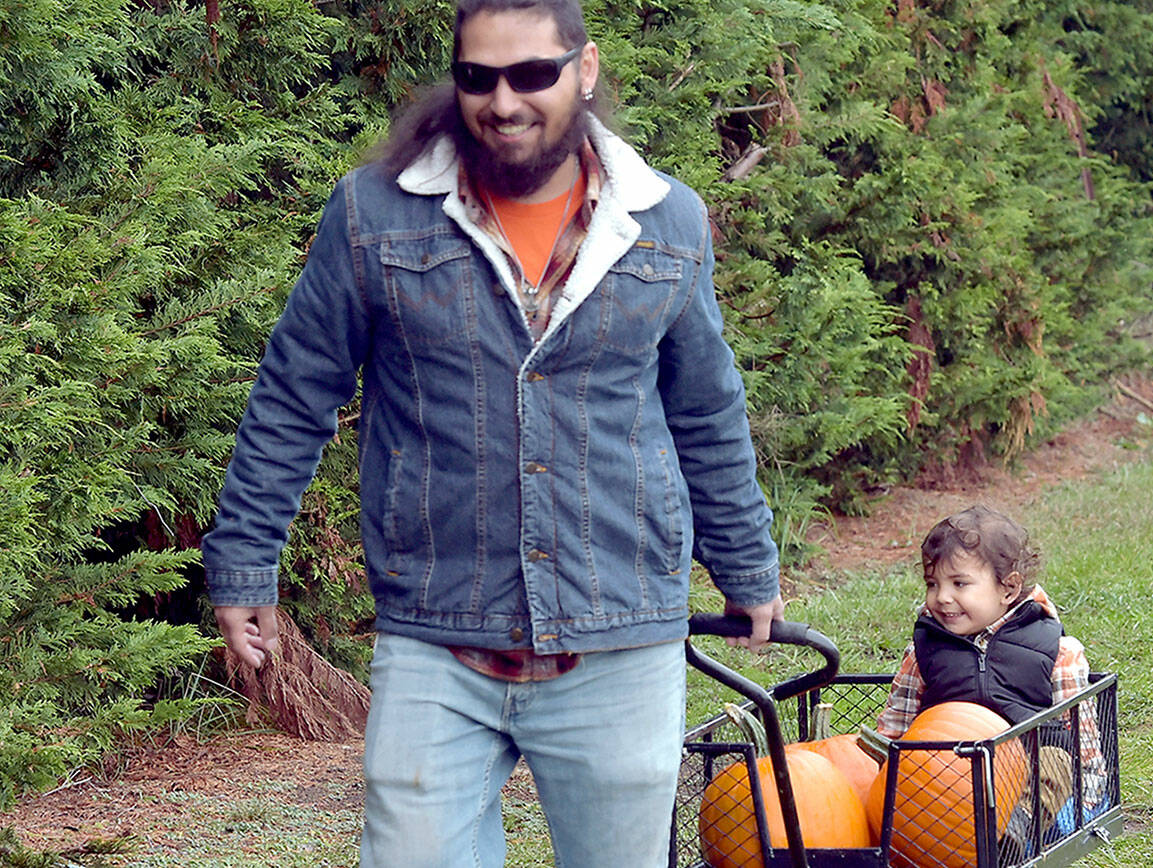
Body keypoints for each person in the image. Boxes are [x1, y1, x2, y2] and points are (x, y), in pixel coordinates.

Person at [200, 1, 784, 865]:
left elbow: (704, 407)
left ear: (583, 70)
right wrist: (246, 559)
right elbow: (294, 392)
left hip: (619, 630)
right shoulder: (376, 214)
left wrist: (745, 563)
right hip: (437, 634)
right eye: (478, 77)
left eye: (530, 74)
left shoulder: (667, 220)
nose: (502, 101)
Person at [871, 505, 1106, 851]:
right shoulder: (922, 651)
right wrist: (875, 780)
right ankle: (980, 836)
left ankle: (1016, 829)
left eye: (959, 583)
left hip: (1029, 771)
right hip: (947, 778)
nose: (942, 597)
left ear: (1008, 589)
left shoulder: (1057, 649)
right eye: (932, 584)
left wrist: (1088, 798)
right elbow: (896, 729)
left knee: (1057, 760)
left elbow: (1082, 743)